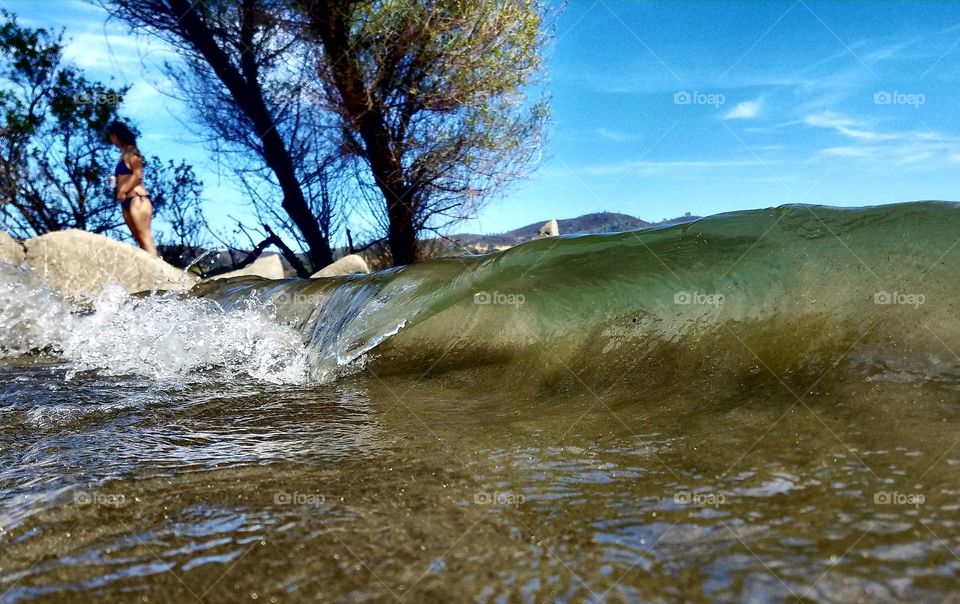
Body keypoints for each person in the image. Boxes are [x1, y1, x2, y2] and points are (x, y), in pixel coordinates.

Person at [106, 121, 157, 256]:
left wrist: (122, 190)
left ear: (115, 135)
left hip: (137, 199)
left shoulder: (132, 152)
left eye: (111, 136)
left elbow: (138, 174)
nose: (111, 140)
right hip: (126, 202)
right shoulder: (123, 154)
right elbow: (126, 176)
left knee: (146, 240)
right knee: (140, 241)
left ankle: (161, 274)